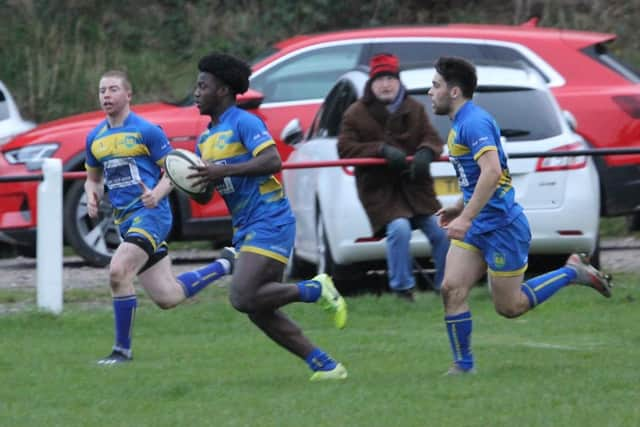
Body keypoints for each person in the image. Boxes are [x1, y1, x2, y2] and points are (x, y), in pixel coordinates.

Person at [427, 56, 613, 375]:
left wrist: (466, 217)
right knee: (451, 288)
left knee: (510, 307)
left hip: (502, 227)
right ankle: (463, 366)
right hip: (477, 225)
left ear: (454, 92)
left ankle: (572, 272)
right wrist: (460, 206)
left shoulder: (473, 123)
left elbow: (492, 171)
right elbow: (477, 178)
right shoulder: (460, 123)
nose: (431, 92)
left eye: (436, 86)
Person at [187, 53, 348, 381]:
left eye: (203, 86)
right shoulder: (205, 138)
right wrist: (189, 182)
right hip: (245, 226)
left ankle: (315, 290)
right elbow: (208, 190)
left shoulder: (244, 122)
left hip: (270, 218)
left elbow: (273, 161)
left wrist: (223, 169)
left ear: (223, 90)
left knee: (242, 296)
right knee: (257, 308)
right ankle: (325, 365)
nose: (196, 92)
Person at [84, 70, 234, 365]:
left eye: (113, 89)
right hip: (125, 221)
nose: (106, 95)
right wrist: (93, 193)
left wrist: (158, 192)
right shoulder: (95, 138)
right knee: (168, 296)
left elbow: (174, 169)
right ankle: (226, 263)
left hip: (151, 215)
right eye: (102, 90)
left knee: (118, 272)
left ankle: (121, 352)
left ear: (128, 95)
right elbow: (93, 178)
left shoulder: (147, 131)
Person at [337, 53, 450, 300]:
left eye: (390, 78)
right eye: (380, 80)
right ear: (371, 84)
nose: (385, 84)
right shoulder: (355, 113)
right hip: (380, 192)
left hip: (416, 190)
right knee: (399, 229)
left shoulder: (415, 108)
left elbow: (433, 139)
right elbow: (345, 148)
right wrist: (379, 150)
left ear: (398, 81)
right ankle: (403, 288)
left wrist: (425, 153)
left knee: (442, 231)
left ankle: (446, 285)